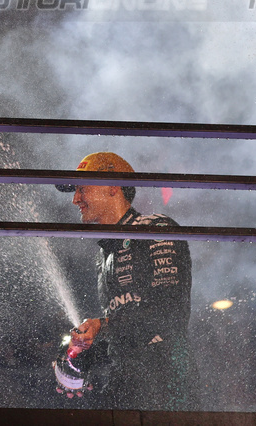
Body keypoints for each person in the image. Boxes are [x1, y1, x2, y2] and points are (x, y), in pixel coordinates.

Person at [57, 151, 192, 410]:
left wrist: (101, 326)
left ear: (113, 187)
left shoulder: (155, 229)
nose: (75, 199)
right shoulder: (103, 255)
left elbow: (169, 314)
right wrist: (78, 360)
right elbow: (124, 332)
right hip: (124, 387)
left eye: (82, 189)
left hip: (166, 388)